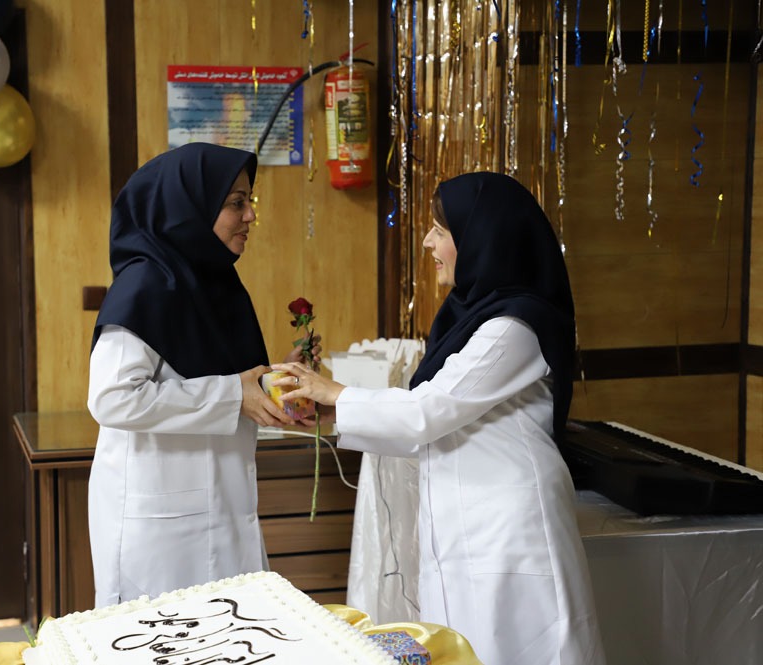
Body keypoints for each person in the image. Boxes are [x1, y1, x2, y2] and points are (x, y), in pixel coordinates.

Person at [273, 172, 606, 665]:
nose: (428, 242)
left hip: (508, 528)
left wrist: (338, 394)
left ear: (483, 238)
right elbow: (430, 413)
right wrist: (332, 410)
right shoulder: (471, 315)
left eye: (440, 230)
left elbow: (430, 410)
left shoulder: (515, 325)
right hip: (470, 518)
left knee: (515, 650)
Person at [86, 142, 319, 607]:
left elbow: (212, 379)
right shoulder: (146, 284)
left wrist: (276, 383)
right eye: (236, 203)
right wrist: (236, 395)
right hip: (162, 530)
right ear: (188, 207)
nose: (250, 215)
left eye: (250, 200)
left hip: (221, 509)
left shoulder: (215, 285)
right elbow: (112, 398)